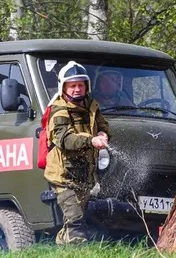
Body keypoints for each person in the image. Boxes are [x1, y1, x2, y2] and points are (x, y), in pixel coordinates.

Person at [43, 61, 110, 244]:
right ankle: (77, 248)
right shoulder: (58, 110)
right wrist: (91, 140)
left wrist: (103, 133)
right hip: (63, 175)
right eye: (72, 85)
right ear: (63, 87)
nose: (77, 89)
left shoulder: (91, 105)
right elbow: (65, 139)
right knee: (76, 221)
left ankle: (61, 243)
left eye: (80, 85)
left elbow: (103, 125)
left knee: (76, 218)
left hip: (84, 175)